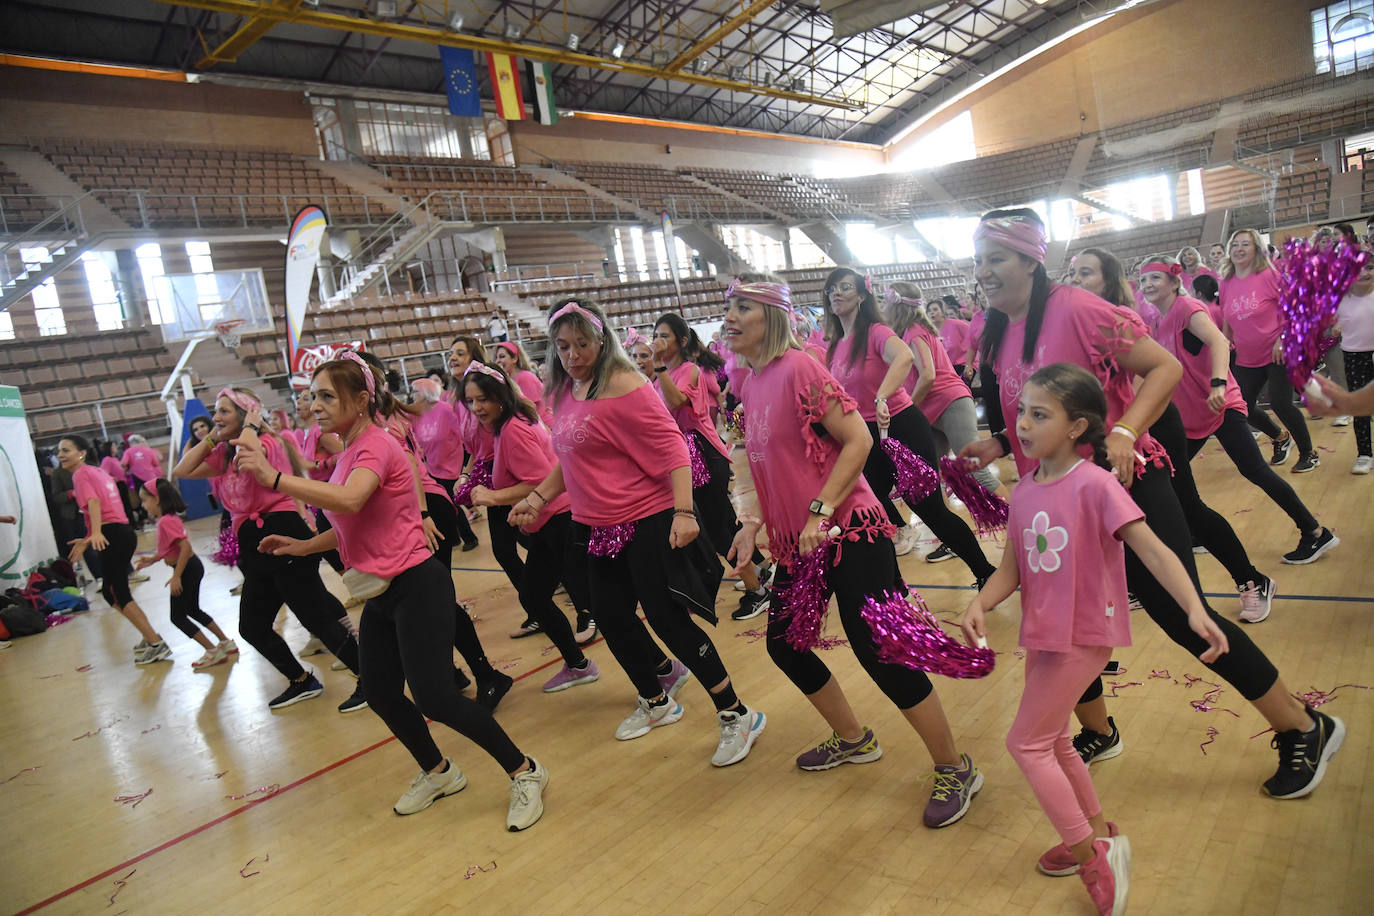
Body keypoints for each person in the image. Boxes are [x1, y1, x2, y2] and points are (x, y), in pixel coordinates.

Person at [961, 208, 1346, 800]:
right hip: (1057, 501)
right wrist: (997, 442)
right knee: (1056, 622)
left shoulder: (1076, 307)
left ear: (1031, 260)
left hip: (1126, 483)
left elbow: (1163, 367)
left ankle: (1301, 724)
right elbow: (1037, 412)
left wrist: (1123, 431)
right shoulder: (997, 330)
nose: (984, 271)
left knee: (1186, 619)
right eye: (979, 259)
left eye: (997, 258)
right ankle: (1099, 730)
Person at [237, 353, 549, 830]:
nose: (315, 405)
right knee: (381, 692)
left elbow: (351, 499)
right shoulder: (349, 452)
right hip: (381, 592)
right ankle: (439, 772)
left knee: (435, 697)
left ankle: (526, 771)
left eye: (326, 396)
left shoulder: (376, 445)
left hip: (417, 584)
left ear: (361, 400)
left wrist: (276, 479)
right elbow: (350, 520)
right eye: (313, 396)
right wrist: (302, 546)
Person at [961, 362, 1227, 915]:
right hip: (1044, 631)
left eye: (1040, 414)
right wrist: (979, 603)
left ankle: (1093, 858)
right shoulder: (1025, 490)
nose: (1024, 424)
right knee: (1054, 738)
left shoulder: (1097, 483)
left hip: (1084, 631)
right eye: (1022, 413)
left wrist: (1195, 607)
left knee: (1025, 743)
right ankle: (1100, 832)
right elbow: (1011, 570)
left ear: (1077, 427)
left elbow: (1153, 549)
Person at [723, 276, 984, 828]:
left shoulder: (799, 368)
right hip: (799, 542)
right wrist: (751, 523)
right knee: (785, 646)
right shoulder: (750, 383)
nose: (729, 317)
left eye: (741, 307)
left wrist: (821, 510)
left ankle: (954, 766)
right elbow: (761, 466)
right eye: (729, 307)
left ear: (770, 316)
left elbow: (859, 441)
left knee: (880, 650)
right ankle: (854, 738)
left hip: (849, 529)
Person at [512, 297, 766, 767]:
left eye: (582, 343)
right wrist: (536, 498)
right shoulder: (566, 390)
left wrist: (685, 513)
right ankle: (656, 701)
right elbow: (571, 458)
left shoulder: (625, 385)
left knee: (668, 620)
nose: (572, 355)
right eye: (563, 346)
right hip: (595, 524)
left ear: (601, 339)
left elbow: (674, 448)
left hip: (646, 517)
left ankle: (737, 714)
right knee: (610, 616)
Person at [172, 386, 366, 713]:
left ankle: (370, 677)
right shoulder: (227, 452)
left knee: (315, 616)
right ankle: (301, 680)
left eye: (223, 411)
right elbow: (182, 471)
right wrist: (211, 439)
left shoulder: (267, 444)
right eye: (215, 411)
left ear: (247, 413)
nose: (215, 418)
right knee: (252, 626)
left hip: (282, 532)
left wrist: (251, 424)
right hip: (254, 545)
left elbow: (252, 455)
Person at [1140, 256, 1336, 575]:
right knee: (1170, 476)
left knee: (1256, 471)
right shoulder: (1157, 320)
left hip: (1221, 406)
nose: (1147, 285)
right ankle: (1197, 531)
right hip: (1190, 417)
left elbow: (1219, 341)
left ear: (1175, 282)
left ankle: (1315, 532)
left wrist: (1218, 384)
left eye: (1155, 278)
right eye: (1143, 280)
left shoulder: (1186, 309)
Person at [357, 349, 513, 710]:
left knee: (438, 602)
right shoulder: (377, 419)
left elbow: (410, 464)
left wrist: (422, 514)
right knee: (423, 604)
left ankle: (485, 673)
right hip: (412, 513)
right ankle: (453, 674)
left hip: (424, 510)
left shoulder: (382, 423)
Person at [821, 266, 997, 581]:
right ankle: (893, 592)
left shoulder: (876, 331)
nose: (836, 293)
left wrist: (882, 397)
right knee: (866, 513)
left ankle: (986, 572)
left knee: (930, 510)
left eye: (844, 287)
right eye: (832, 288)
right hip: (865, 437)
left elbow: (904, 358)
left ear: (862, 294)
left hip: (901, 428)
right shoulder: (835, 344)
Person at [464, 364, 601, 691]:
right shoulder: (505, 425)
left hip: (561, 520)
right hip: (549, 523)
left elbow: (541, 479)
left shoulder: (512, 428)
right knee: (536, 596)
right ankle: (579, 664)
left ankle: (658, 670)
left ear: (501, 395)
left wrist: (494, 496)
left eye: (483, 399)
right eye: (470, 401)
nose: (476, 408)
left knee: (597, 602)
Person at [651, 311, 772, 621]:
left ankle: (757, 590)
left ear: (680, 341)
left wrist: (658, 367)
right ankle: (759, 571)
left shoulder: (689, 370)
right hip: (684, 458)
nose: (658, 341)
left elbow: (677, 403)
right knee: (722, 523)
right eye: (656, 335)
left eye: (664, 336)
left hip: (703, 455)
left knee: (717, 529)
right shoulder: (659, 377)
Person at [59, 434, 171, 665]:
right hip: (120, 532)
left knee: (118, 592)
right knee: (112, 593)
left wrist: (97, 533)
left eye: (66, 450)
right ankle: (150, 636)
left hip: (112, 535)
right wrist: (89, 537)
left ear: (81, 453)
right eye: (59, 451)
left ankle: (155, 643)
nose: (60, 455)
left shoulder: (81, 473)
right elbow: (103, 507)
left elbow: (94, 503)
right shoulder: (97, 471)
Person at [1220, 229, 1320, 473]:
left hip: (1277, 352)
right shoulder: (1226, 282)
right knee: (1241, 406)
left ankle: (1309, 453)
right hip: (1247, 356)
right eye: (1235, 245)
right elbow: (1228, 318)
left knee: (1280, 403)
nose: (1239, 249)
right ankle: (1279, 437)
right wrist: (1224, 343)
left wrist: (1282, 339)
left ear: (1256, 249)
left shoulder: (1268, 275)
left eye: (1246, 244)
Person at [134, 479, 238, 669]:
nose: (143, 505)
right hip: (190, 568)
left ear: (156, 499)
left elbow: (185, 547)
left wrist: (177, 576)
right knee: (192, 609)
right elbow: (171, 548)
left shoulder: (166, 521)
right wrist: (153, 559)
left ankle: (212, 651)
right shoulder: (169, 518)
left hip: (186, 569)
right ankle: (225, 642)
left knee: (178, 617)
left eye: (144, 500)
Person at [408, 378, 479, 551]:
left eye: (415, 392)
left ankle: (469, 537)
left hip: (451, 464)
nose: (412, 396)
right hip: (431, 466)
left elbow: (463, 435)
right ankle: (453, 537)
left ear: (425, 394)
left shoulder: (445, 410)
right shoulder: (416, 414)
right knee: (443, 504)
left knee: (451, 503)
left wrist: (465, 466)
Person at [1334, 246, 1374, 473]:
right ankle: (1365, 454)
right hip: (1354, 355)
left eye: (1369, 267)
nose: (1364, 273)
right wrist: (1334, 327)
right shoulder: (1341, 297)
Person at [492, 340, 553, 427]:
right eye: (496, 358)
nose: (498, 361)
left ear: (514, 358)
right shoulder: (508, 380)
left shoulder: (525, 377)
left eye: (502, 357)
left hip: (544, 426)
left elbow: (533, 409)